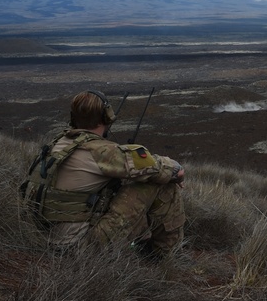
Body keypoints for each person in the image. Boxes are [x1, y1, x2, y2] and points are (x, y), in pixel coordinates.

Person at [20, 90, 186, 260]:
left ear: (73, 117)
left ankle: (142, 243)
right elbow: (167, 169)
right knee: (160, 183)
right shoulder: (102, 151)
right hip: (78, 249)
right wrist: (176, 175)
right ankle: (163, 257)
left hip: (41, 238)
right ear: (106, 117)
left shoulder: (56, 144)